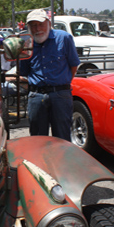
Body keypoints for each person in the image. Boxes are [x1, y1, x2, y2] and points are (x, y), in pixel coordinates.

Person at [19, 9, 80, 141]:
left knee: (62, 137)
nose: (38, 28)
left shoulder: (64, 38)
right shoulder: (26, 43)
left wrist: (63, 84)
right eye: (33, 25)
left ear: (49, 23)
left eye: (41, 24)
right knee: (38, 139)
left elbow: (73, 65)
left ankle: (63, 162)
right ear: (29, 27)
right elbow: (24, 71)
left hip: (61, 95)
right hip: (36, 95)